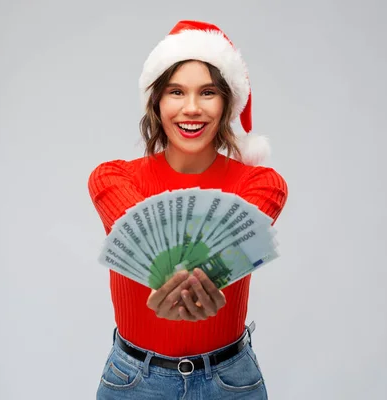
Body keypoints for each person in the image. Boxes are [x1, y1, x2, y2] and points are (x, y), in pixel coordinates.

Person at [88, 20, 288, 399]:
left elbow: (230, 243)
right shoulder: (112, 178)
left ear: (228, 103)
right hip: (134, 382)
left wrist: (192, 279)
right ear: (157, 102)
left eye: (208, 92)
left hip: (230, 382)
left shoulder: (261, 184)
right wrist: (180, 278)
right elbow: (146, 238)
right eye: (176, 92)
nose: (191, 109)